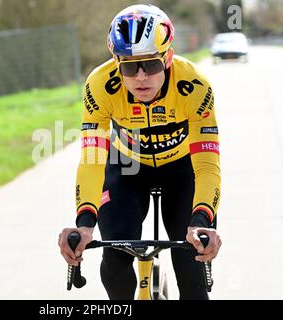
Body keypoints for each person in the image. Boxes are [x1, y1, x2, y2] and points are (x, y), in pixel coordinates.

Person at [58, 4, 222, 300]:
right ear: (116, 63)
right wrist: (84, 223)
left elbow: (208, 163)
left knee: (191, 262)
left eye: (151, 65)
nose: (141, 77)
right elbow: (93, 159)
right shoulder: (99, 86)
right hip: (126, 168)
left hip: (181, 170)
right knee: (117, 256)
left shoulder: (195, 86)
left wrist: (203, 219)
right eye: (130, 67)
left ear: (168, 58)